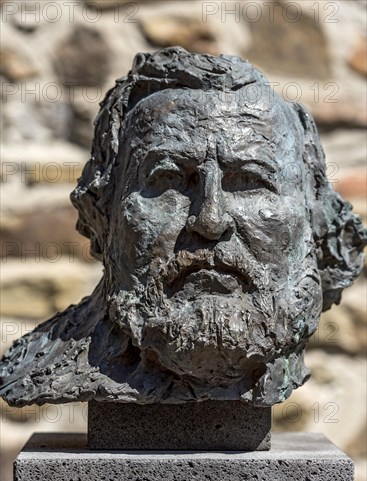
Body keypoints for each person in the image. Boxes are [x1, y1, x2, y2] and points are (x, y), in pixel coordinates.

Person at [1, 47, 365, 407]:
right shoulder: (31, 368)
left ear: (314, 218)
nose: (210, 220)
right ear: (102, 214)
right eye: (171, 179)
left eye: (249, 181)